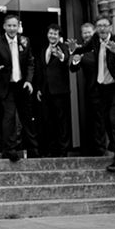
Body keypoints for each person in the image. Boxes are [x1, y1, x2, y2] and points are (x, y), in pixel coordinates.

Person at [67, 15, 115, 172]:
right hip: (102, 88)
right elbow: (82, 49)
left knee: (114, 120)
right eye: (99, 26)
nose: (102, 28)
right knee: (106, 121)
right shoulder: (96, 39)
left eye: (105, 25)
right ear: (97, 29)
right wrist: (72, 48)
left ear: (110, 27)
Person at [0, 14, 39, 162]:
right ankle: (9, 151)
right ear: (4, 26)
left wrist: (29, 81)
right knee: (9, 117)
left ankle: (33, 150)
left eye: (14, 26)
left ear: (18, 27)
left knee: (27, 118)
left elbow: (30, 63)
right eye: (9, 26)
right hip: (7, 86)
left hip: (22, 85)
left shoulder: (25, 41)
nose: (12, 28)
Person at [70, 22, 107, 156]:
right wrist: (75, 60)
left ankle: (114, 146)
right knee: (97, 120)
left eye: (89, 32)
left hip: (108, 87)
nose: (87, 35)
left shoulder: (103, 45)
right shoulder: (81, 50)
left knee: (111, 119)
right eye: (84, 33)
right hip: (93, 90)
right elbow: (73, 69)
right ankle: (100, 149)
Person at [36, 24, 71, 157]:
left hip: (60, 91)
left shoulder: (64, 48)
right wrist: (39, 88)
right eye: (51, 33)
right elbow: (41, 70)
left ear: (59, 36)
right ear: (47, 34)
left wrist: (61, 56)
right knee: (48, 122)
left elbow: (66, 58)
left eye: (55, 34)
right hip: (45, 92)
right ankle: (52, 149)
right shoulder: (43, 49)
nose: (52, 36)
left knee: (62, 122)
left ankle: (63, 150)